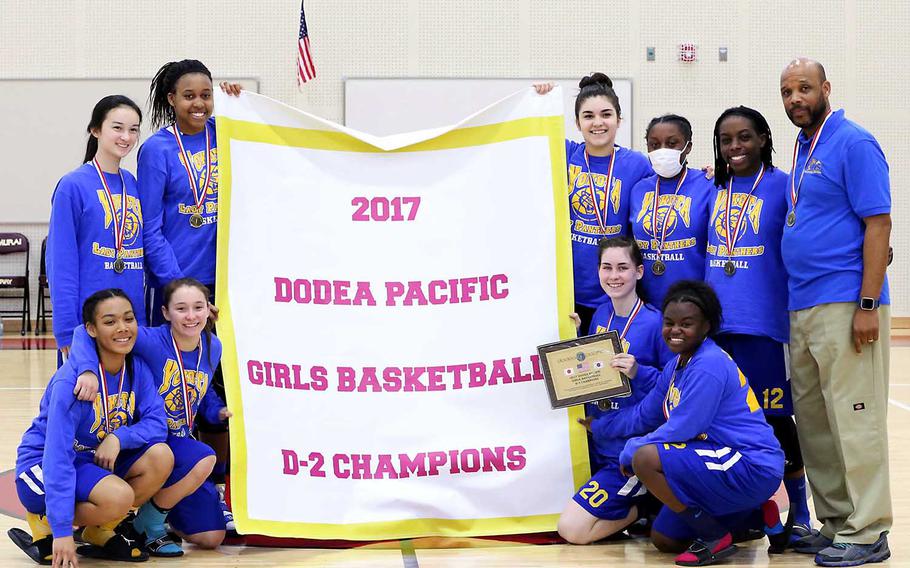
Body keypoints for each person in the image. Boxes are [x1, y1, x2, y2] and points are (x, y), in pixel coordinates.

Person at [779, 57, 892, 566]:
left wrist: (867, 304)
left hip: (847, 303)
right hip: (801, 305)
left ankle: (869, 530)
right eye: (786, 91)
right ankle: (836, 522)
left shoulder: (854, 142)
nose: (795, 98)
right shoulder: (803, 148)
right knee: (816, 424)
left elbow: (879, 226)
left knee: (855, 420)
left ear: (826, 88)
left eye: (804, 88)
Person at [590, 281, 787, 565]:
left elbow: (682, 428)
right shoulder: (676, 364)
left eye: (686, 323)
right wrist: (601, 428)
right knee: (665, 539)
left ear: (706, 326)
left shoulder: (709, 365)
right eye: (669, 322)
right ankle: (757, 516)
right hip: (716, 460)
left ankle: (713, 535)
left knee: (645, 458)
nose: (675, 330)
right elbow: (647, 413)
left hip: (750, 464)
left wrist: (631, 449)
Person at [139, 60, 241, 530]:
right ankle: (168, 487)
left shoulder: (229, 132)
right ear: (171, 100)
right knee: (175, 387)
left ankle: (219, 485)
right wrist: (184, 293)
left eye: (207, 94)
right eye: (188, 95)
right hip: (179, 293)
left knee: (221, 389)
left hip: (228, 290)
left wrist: (244, 103)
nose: (199, 103)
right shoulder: (157, 150)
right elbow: (152, 228)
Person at [706, 106, 813, 541]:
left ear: (765, 138)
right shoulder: (709, 187)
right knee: (724, 423)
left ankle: (801, 514)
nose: (735, 147)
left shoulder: (784, 185)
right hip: (716, 331)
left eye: (745, 137)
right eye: (727, 139)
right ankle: (747, 511)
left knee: (775, 419)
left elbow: (821, 222)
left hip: (765, 328)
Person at [68, 278, 232, 555]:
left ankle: (159, 514)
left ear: (209, 310)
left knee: (210, 537)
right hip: (149, 439)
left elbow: (199, 393)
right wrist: (86, 369)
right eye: (181, 309)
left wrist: (217, 411)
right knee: (204, 456)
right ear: (166, 313)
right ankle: (147, 523)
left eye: (198, 307)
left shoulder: (213, 346)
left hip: (182, 442)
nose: (191, 316)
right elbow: (82, 332)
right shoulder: (151, 340)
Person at [10, 289, 171, 565]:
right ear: (91, 330)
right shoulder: (71, 383)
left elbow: (158, 423)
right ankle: (44, 519)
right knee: (120, 497)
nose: (122, 328)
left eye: (128, 319)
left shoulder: (136, 369)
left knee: (161, 457)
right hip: (43, 464)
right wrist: (62, 532)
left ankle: (98, 530)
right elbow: (57, 456)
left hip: (91, 461)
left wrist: (120, 437)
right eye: (110, 322)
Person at [558, 237, 672, 544]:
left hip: (627, 449)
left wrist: (638, 371)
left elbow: (674, 386)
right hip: (598, 443)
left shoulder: (655, 322)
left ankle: (645, 503)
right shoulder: (599, 316)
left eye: (622, 267)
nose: (614, 275)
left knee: (572, 530)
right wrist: (576, 337)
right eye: (607, 267)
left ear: (639, 272)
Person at [534, 75, 652, 334]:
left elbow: (671, 185)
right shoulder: (564, 154)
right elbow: (531, 135)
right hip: (568, 293)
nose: (598, 123)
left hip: (615, 291)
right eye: (588, 116)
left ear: (619, 120)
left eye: (606, 114)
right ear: (577, 123)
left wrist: (708, 173)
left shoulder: (637, 164)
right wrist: (540, 100)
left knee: (609, 370)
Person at [47, 95, 146, 366]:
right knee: (86, 404)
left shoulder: (134, 184)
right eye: (117, 127)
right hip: (88, 323)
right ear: (96, 129)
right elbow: (61, 263)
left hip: (130, 320)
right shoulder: (72, 186)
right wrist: (67, 332)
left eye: (134, 129)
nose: (126, 136)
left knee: (125, 404)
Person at [629, 115, 712, 307]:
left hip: (692, 304)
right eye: (654, 145)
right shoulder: (639, 189)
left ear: (688, 147)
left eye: (672, 143)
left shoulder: (708, 184)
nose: (662, 151)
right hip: (644, 305)